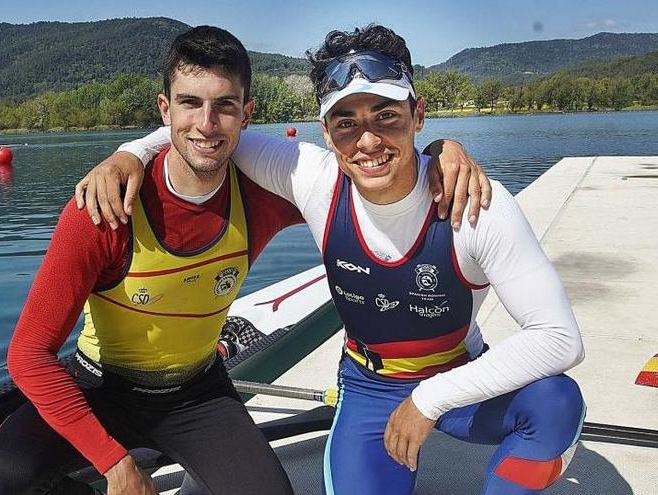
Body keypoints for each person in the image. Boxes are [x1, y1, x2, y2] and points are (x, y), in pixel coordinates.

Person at [77, 24, 585, 495]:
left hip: (457, 372)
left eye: (387, 116)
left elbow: (559, 339)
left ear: (419, 115)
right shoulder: (312, 179)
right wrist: (130, 153)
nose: (368, 142)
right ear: (324, 130)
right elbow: (206, 132)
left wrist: (429, 401)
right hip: (369, 388)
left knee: (556, 404)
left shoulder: (474, 204)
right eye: (347, 123)